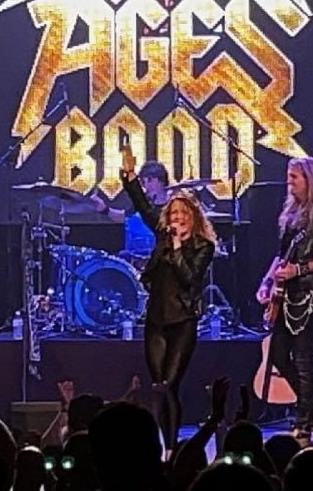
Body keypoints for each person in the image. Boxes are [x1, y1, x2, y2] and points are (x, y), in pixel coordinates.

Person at [119, 146, 216, 450]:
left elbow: (189, 278)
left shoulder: (203, 247)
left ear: (192, 217)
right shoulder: (162, 236)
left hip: (183, 321)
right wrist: (130, 176)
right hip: (156, 320)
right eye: (173, 214)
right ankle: (162, 447)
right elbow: (143, 206)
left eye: (182, 214)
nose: (177, 219)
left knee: (171, 384)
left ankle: (172, 447)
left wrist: (176, 250)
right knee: (159, 386)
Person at [256, 157, 313, 436]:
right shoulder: (292, 215)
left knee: (303, 357)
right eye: (289, 175)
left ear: (310, 180)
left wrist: (298, 270)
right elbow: (281, 256)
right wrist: (267, 282)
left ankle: (305, 419)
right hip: (286, 295)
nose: (289, 181)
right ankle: (312, 406)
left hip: (308, 293)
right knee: (279, 354)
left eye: (295, 176)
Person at [92, 160, 171, 261]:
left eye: (150, 180)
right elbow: (124, 217)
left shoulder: (175, 204)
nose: (146, 186)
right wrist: (105, 210)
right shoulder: (143, 203)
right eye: (144, 182)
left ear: (161, 180)